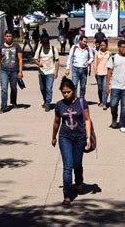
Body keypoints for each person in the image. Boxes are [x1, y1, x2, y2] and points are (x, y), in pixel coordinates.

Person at [51, 76, 92, 205]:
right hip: (65, 138)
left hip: (80, 138)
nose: (66, 94)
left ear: (73, 90)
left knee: (77, 164)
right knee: (68, 167)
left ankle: (79, 181)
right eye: (63, 92)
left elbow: (87, 120)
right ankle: (67, 195)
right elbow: (57, 121)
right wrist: (53, 136)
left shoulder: (81, 102)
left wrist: (88, 137)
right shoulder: (59, 105)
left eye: (68, 92)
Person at [0, 30, 24, 114]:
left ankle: (13, 102)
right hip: (4, 71)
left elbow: (20, 59)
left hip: (14, 70)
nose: (8, 37)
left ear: (12, 37)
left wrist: (20, 71)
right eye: (7, 36)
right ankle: (3, 106)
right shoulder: (1, 47)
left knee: (13, 87)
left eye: (10, 36)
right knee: (4, 88)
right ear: (4, 37)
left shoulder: (17, 46)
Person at [34, 36, 60, 111]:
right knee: (42, 88)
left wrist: (56, 72)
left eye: (46, 44)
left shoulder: (53, 49)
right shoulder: (40, 49)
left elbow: (57, 61)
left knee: (49, 88)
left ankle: (48, 103)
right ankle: (45, 101)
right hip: (41, 72)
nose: (45, 46)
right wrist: (38, 64)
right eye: (43, 44)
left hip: (50, 72)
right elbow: (35, 59)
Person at [93, 40, 111, 110]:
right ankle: (101, 101)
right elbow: (95, 63)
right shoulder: (97, 53)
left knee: (104, 88)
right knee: (100, 89)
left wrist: (110, 72)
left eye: (104, 45)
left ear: (106, 45)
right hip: (99, 73)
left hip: (106, 73)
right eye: (101, 45)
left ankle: (105, 103)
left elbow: (111, 63)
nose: (102, 46)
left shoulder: (109, 53)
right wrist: (95, 72)